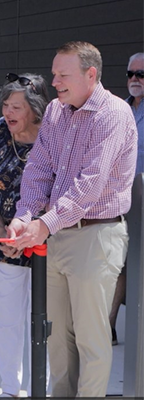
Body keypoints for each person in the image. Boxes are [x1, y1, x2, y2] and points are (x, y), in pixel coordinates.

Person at [8, 41, 137, 397]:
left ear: (90, 75)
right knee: (58, 338)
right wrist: (26, 215)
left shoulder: (112, 114)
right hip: (56, 234)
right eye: (54, 73)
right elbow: (38, 168)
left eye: (63, 75)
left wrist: (42, 225)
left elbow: (90, 185)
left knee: (91, 339)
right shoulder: (54, 111)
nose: (55, 81)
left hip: (95, 236)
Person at [0, 73, 50, 398]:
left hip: (46, 240)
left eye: (16, 106)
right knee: (9, 318)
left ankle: (40, 389)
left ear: (34, 108)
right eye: (6, 104)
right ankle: (9, 388)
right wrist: (5, 232)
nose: (9, 111)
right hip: (5, 242)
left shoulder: (53, 135)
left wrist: (35, 230)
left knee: (45, 320)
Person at [109, 52, 144, 345]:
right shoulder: (120, 108)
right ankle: (109, 325)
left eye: (141, 75)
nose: (135, 79)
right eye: (130, 74)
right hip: (121, 198)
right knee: (119, 262)